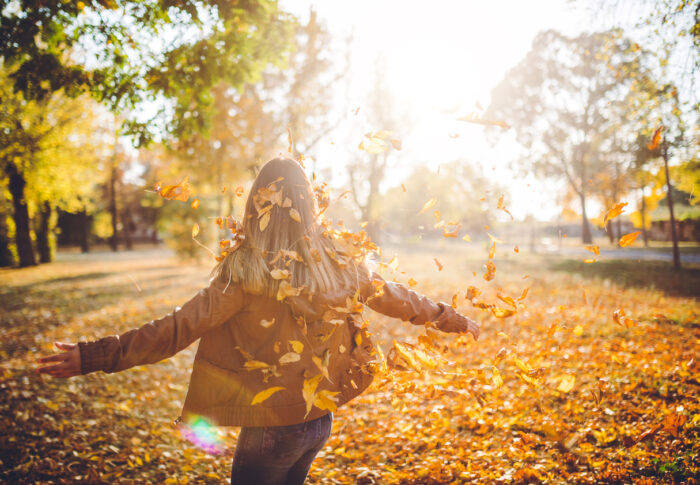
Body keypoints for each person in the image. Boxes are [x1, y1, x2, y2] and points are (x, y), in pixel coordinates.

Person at [37, 157, 480, 485]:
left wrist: (94, 355)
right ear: (310, 207)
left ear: (257, 204)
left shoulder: (244, 272)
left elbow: (177, 329)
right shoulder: (343, 261)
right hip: (318, 421)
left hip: (271, 427)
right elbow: (399, 298)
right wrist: (452, 319)